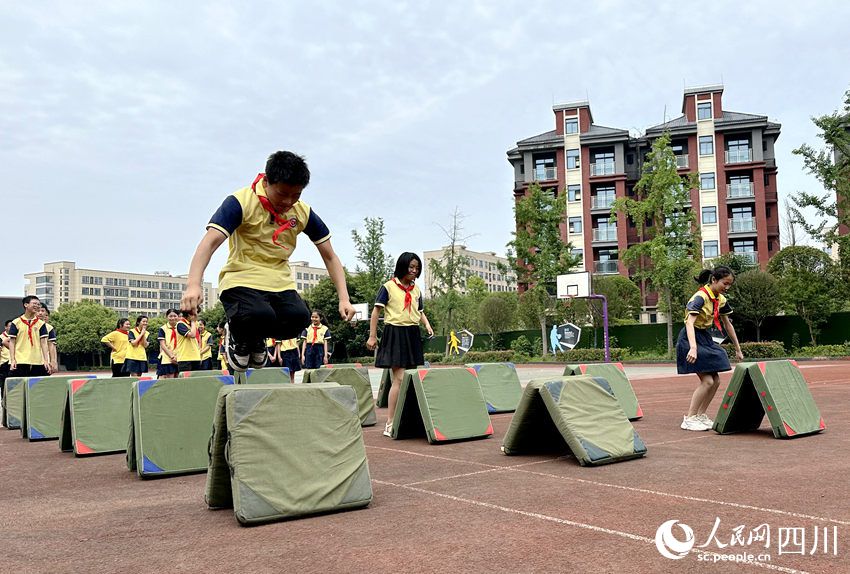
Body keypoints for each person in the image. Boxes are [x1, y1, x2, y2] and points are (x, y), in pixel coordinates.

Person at [180, 151, 355, 372]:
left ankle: (256, 337)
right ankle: (237, 333)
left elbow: (329, 255)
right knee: (258, 314)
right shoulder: (241, 202)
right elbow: (209, 242)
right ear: (266, 182)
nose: (288, 202)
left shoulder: (302, 212)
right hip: (241, 278)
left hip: (279, 282)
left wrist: (344, 298)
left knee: (299, 318)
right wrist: (193, 284)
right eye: (282, 194)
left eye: (296, 195)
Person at [366, 252, 433, 437]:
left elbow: (420, 311)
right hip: (395, 333)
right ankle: (390, 422)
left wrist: (427, 325)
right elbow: (376, 312)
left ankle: (409, 420)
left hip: (412, 333)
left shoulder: (416, 289)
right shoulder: (388, 287)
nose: (414, 271)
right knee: (399, 379)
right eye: (411, 267)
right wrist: (372, 336)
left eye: (417, 268)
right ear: (402, 266)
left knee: (410, 378)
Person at [677, 266, 744, 431]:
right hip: (690, 338)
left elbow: (727, 324)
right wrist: (693, 348)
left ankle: (700, 415)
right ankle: (689, 418)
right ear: (714, 280)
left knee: (716, 381)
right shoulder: (700, 297)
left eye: (729, 284)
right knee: (707, 381)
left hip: (705, 338)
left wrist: (738, 348)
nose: (727, 287)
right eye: (725, 283)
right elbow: (689, 323)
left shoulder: (720, 299)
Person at [7, 296, 51, 377]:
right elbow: (12, 342)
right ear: (26, 305)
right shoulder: (16, 322)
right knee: (18, 384)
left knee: (37, 384)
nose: (37, 306)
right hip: (19, 360)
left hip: (37, 361)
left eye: (38, 304)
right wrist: (12, 360)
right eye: (34, 303)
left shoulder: (41, 324)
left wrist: (46, 360)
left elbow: (44, 343)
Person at [157, 309, 180, 379]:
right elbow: (162, 345)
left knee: (179, 378)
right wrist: (172, 357)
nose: (173, 318)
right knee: (170, 379)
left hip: (179, 357)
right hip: (167, 358)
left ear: (178, 316)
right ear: (166, 317)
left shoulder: (181, 327)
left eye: (175, 316)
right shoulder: (163, 329)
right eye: (170, 316)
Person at [38, 305, 59, 373]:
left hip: (44, 361)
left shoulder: (49, 328)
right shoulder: (27, 325)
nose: (40, 313)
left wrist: (53, 361)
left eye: (42, 311)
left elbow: (52, 346)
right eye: (38, 311)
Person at [1, 319, 12, 406]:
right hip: (4, 364)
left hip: (13, 363)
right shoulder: (1, 337)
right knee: (4, 383)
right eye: (10, 326)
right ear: (5, 327)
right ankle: (3, 401)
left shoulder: (16, 336)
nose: (11, 328)